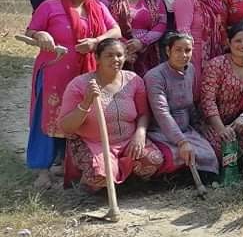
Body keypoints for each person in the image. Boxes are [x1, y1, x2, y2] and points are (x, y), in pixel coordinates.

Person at [25, 0, 122, 189]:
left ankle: (67, 163)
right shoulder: (50, 6)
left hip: (84, 72)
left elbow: (115, 31)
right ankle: (42, 169)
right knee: (48, 117)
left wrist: (96, 42)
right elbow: (31, 31)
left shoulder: (97, 8)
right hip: (53, 71)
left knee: (78, 115)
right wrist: (42, 34)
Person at [58, 39, 164, 191]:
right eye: (109, 55)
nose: (116, 59)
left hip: (128, 141)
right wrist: (86, 103)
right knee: (100, 177)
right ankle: (100, 177)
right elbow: (66, 127)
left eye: (119, 55)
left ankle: (122, 176)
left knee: (154, 160)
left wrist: (140, 134)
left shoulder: (134, 80)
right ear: (97, 58)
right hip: (95, 143)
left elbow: (143, 114)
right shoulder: (79, 85)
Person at [144, 32, 219, 178]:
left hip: (186, 130)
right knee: (173, 157)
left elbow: (190, 104)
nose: (183, 55)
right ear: (168, 51)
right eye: (178, 50)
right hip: (161, 132)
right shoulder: (155, 77)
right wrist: (182, 142)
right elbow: (162, 113)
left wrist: (197, 128)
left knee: (210, 155)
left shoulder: (190, 69)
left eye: (188, 50)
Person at [198, 23, 243, 161]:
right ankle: (230, 161)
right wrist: (221, 129)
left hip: (241, 122)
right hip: (214, 122)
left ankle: (239, 160)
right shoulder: (216, 65)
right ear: (229, 42)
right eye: (238, 40)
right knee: (219, 149)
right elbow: (208, 101)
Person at [99, 0, 168, 76]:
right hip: (114, 53)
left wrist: (142, 42)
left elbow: (161, 23)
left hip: (147, 55)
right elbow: (101, 23)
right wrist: (124, 45)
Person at [174, 0, 227, 94]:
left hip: (213, 51)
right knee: (194, 88)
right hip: (195, 52)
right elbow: (183, 30)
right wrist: (186, 55)